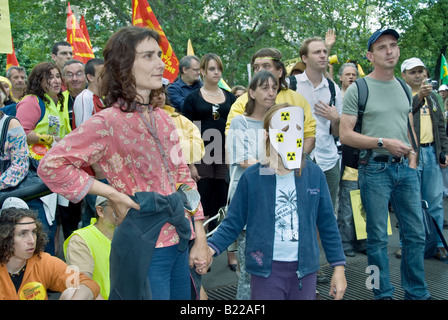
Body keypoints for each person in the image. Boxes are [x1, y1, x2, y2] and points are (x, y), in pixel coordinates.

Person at [37, 26, 209, 300]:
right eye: (149, 56)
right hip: (143, 244)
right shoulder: (107, 122)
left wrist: (200, 237)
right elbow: (51, 166)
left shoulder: (163, 118)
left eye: (159, 55)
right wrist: (112, 193)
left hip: (180, 238)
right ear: (125, 66)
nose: (160, 64)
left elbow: (184, 179)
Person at [208, 103, 347, 300]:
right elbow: (233, 221)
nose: (293, 136)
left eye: (298, 129)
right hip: (265, 271)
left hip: (304, 272)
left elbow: (327, 223)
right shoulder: (252, 177)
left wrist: (338, 268)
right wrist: (210, 248)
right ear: (268, 135)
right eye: (285, 130)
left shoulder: (313, 173)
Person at [340, 28, 431, 300]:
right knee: (377, 239)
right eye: (382, 47)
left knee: (415, 235)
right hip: (374, 169)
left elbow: (408, 124)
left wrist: (413, 155)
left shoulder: (405, 87)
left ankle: (417, 292)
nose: (389, 50)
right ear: (370, 56)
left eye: (393, 45)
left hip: (406, 170)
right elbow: (345, 134)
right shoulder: (359, 88)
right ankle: (380, 293)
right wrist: (383, 142)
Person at [226, 70, 278, 299]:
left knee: (274, 267)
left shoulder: (279, 122)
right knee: (249, 272)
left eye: (274, 88)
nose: (271, 92)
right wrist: (276, 168)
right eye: (265, 87)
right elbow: (244, 160)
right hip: (248, 201)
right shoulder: (240, 122)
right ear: (252, 92)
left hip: (275, 200)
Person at [182, 53, 236, 273]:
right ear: (202, 71)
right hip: (202, 156)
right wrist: (191, 164)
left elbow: (236, 127)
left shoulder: (230, 97)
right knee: (202, 204)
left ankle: (231, 254)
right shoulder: (192, 98)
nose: (216, 73)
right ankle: (202, 251)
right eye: (212, 69)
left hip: (224, 156)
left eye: (219, 69)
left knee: (226, 203)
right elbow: (185, 131)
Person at [15, 62, 72, 253]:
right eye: (50, 78)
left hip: (56, 169)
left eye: (58, 76)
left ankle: (50, 267)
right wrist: (50, 139)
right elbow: (21, 132)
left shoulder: (60, 100)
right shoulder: (32, 101)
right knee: (43, 223)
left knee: (54, 222)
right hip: (34, 172)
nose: (56, 81)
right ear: (39, 81)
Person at [225, 47, 316, 156]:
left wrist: (295, 162)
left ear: (280, 71)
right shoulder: (241, 102)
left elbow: (309, 135)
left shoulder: (297, 100)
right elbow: (232, 139)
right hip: (252, 166)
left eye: (266, 66)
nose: (260, 70)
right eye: (256, 67)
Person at [400, 57, 448, 261]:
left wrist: (443, 151)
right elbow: (403, 116)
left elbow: (440, 128)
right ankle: (405, 245)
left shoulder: (435, 97)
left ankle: (437, 244)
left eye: (421, 71)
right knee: (409, 203)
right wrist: (418, 97)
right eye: (413, 72)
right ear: (404, 76)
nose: (418, 75)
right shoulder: (400, 94)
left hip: (431, 153)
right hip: (411, 154)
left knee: (435, 202)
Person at [0, 206, 100, 300]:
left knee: (74, 292)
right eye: (22, 234)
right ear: (5, 237)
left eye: (34, 232)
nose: (31, 240)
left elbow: (88, 283)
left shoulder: (43, 261)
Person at [294, 36, 343, 209]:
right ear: (304, 58)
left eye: (324, 51)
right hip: (297, 159)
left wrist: (336, 119)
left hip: (328, 159)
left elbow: (337, 133)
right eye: (317, 52)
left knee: (327, 213)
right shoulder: (291, 85)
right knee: (300, 210)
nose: (323, 55)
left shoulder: (333, 88)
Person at [336, 62, 366, 258]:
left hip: (360, 155)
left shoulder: (364, 98)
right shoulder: (335, 95)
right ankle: (344, 241)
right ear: (340, 77)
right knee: (345, 202)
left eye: (354, 74)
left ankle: (362, 241)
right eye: (347, 74)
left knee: (361, 200)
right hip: (339, 155)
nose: (351, 77)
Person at [63, 195, 115, 300]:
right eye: (117, 206)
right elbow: (84, 284)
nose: (124, 210)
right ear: (100, 211)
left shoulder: (134, 234)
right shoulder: (80, 240)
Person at [72, 58, 104, 129]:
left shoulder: (101, 99)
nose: (107, 78)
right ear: (90, 77)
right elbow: (83, 131)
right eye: (102, 74)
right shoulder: (84, 98)